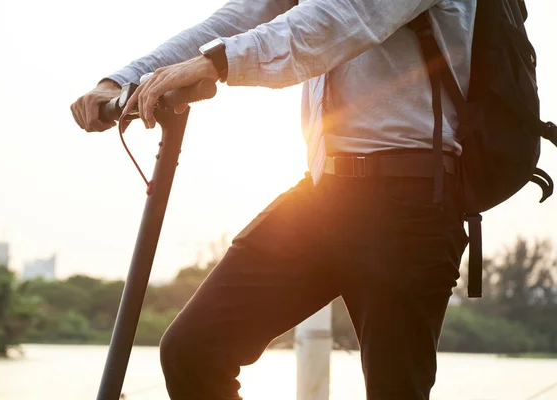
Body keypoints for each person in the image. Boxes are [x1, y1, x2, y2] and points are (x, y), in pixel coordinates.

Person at [71, 0, 475, 398]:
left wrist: (217, 62)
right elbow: (241, 16)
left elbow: (342, 18)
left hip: (411, 198)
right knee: (193, 349)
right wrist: (124, 80)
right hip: (324, 193)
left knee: (396, 391)